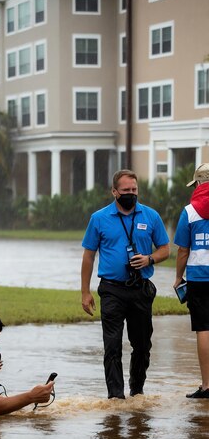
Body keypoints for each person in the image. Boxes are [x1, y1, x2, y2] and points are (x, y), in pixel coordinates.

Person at [81, 169, 170, 399]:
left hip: (140, 289)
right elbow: (88, 256)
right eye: (125, 190)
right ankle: (115, 398)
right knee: (112, 346)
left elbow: (165, 249)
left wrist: (149, 258)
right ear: (114, 192)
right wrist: (85, 292)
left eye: (134, 190)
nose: (131, 194)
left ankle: (137, 392)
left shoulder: (150, 216)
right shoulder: (99, 218)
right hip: (111, 289)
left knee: (142, 346)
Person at [173, 162, 209, 398]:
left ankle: (207, 386)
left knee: (204, 329)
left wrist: (178, 277)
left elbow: (183, 251)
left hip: (198, 277)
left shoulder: (190, 211)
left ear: (198, 183)